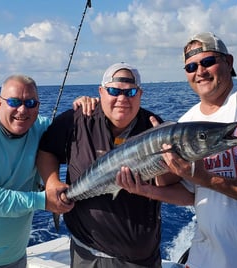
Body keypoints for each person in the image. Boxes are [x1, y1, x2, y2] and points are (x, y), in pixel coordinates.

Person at [117, 32, 237, 268]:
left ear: (229, 62)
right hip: (204, 258)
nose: (200, 72)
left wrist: (206, 178)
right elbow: (190, 194)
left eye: (208, 62)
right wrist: (147, 188)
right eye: (191, 66)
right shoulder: (186, 122)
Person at [36, 62, 194, 268]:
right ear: (101, 92)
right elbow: (47, 150)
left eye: (130, 92)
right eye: (114, 91)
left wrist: (163, 164)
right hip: (86, 252)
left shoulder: (156, 127)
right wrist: (52, 183)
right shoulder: (77, 120)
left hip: (140, 260)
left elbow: (169, 186)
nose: (122, 99)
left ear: (140, 94)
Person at [0, 74, 87, 267]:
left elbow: (76, 133)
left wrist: (83, 109)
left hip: (15, 257)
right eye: (14, 102)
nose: (22, 110)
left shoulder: (41, 128)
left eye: (30, 103)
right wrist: (42, 200)